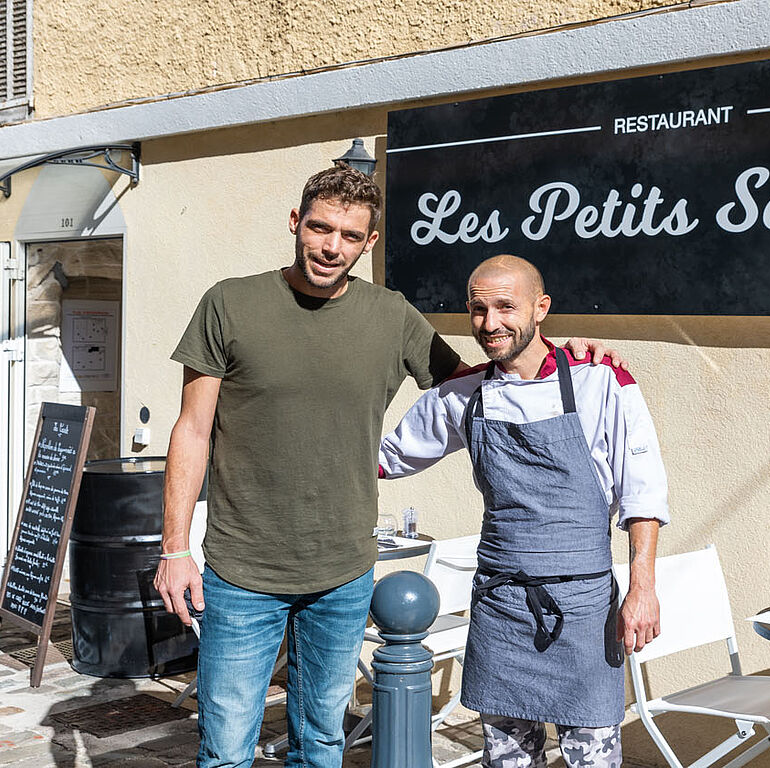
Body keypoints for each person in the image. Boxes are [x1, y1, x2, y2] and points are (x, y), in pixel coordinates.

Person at [153, 167, 621, 768]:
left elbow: (482, 384)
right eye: (320, 228)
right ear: (296, 224)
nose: (330, 247)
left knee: (321, 742)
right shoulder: (230, 303)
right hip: (243, 569)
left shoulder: (391, 315)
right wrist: (174, 549)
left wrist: (568, 359)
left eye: (349, 236)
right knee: (225, 749)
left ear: (368, 244)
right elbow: (191, 431)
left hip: (344, 572)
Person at [378, 254, 668, 768]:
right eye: (477, 309)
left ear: (541, 308)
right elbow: (382, 459)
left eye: (505, 307)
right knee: (506, 759)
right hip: (500, 605)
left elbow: (642, 493)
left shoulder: (602, 381)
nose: (490, 324)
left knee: (593, 757)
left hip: (583, 607)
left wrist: (642, 589)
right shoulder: (462, 396)